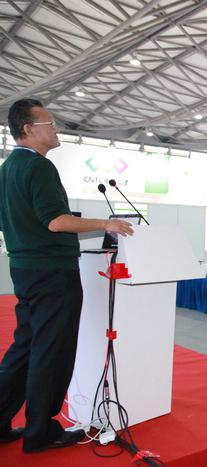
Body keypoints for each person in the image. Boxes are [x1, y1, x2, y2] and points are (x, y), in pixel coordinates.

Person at [0, 99, 134, 453]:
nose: (56, 128)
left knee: (26, 346)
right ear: (28, 129)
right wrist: (107, 223)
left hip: (25, 268)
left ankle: (1, 419)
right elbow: (55, 222)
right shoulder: (39, 167)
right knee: (52, 351)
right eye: (49, 122)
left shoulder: (7, 168)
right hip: (52, 272)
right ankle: (41, 431)